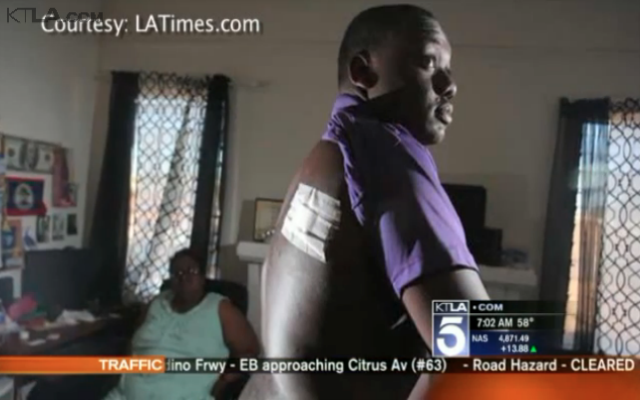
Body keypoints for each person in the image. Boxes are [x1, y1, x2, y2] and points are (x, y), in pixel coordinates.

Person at [240, 5, 489, 400]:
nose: (449, 84)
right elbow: (478, 350)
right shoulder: (384, 150)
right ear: (363, 72)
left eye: (449, 68)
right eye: (428, 62)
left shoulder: (325, 158)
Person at [104, 248, 260, 400]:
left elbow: (250, 351)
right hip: (125, 394)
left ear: (202, 278)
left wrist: (225, 380)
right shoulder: (157, 303)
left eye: (191, 271)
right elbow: (133, 342)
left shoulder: (221, 309)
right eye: (177, 273)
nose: (183, 277)